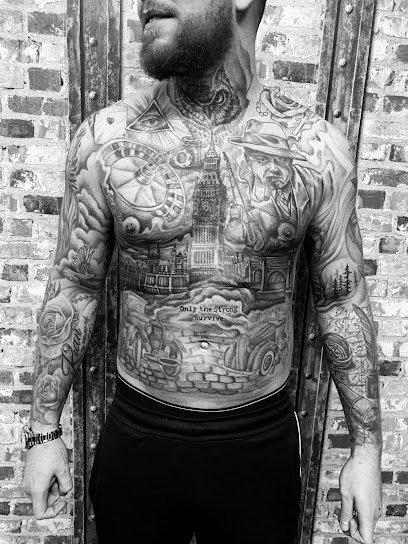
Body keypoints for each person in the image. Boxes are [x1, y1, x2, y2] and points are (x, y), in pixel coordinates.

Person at [22, 1, 382, 543]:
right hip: (139, 435)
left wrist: (366, 449)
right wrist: (42, 430)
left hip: (258, 444)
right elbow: (74, 286)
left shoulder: (316, 152)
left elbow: (341, 302)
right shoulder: (104, 140)